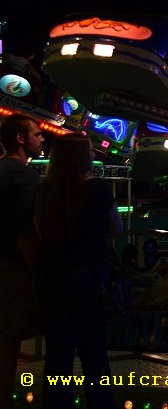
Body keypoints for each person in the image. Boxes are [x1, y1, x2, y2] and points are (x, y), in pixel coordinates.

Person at [32, 134, 122, 409]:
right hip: (89, 279)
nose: (94, 154)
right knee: (94, 354)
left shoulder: (43, 191)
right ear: (81, 157)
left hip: (50, 279)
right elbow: (116, 227)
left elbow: (39, 233)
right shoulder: (97, 189)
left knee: (58, 354)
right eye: (90, 150)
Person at [0, 113, 44, 409]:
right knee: (8, 341)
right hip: (12, 268)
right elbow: (26, 232)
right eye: (37, 134)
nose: (42, 139)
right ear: (20, 138)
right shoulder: (25, 175)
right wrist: (38, 271)